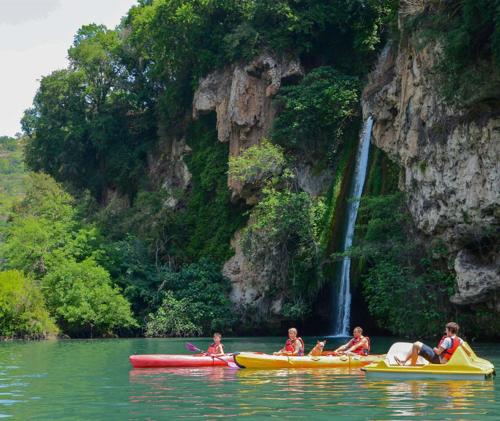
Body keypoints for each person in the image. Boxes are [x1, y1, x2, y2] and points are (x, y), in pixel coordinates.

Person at [395, 322, 471, 366]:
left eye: (446, 330)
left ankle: (412, 366)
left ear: (450, 330)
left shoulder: (447, 340)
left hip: (438, 360)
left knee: (416, 344)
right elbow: (468, 353)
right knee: (417, 347)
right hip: (444, 361)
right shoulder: (459, 340)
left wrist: (434, 348)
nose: (445, 331)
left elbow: (438, 352)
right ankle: (404, 361)